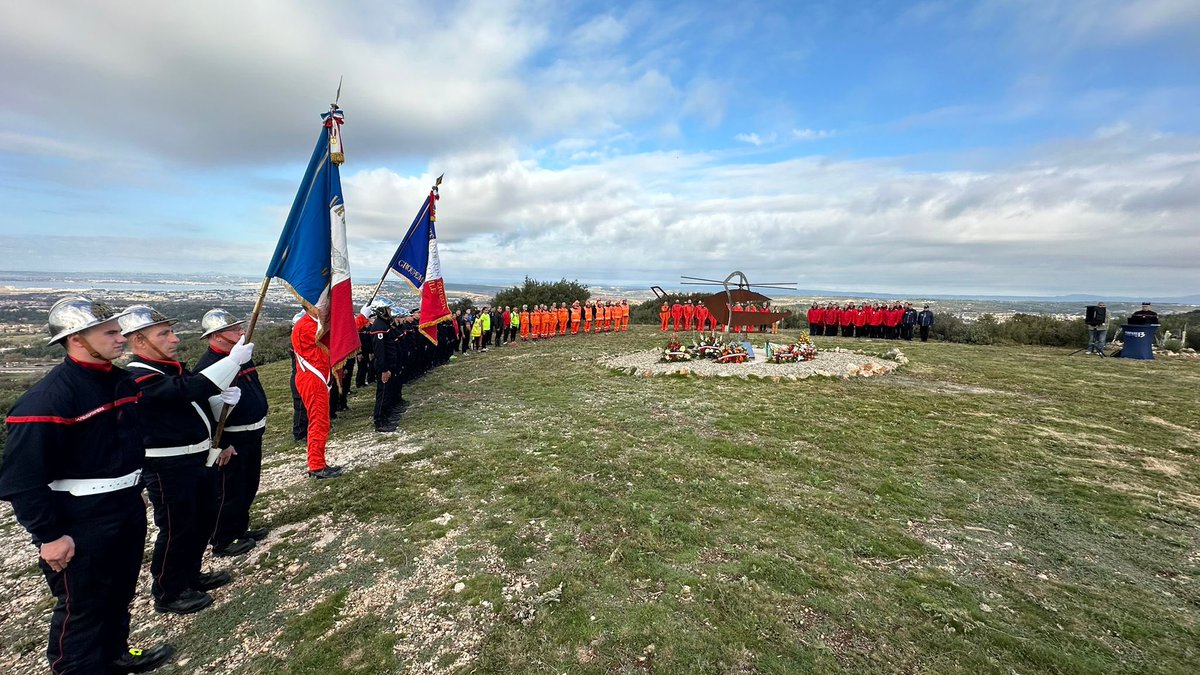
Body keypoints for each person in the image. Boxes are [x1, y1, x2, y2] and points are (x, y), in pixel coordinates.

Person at [1, 297, 176, 674]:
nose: (122, 338)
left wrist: (132, 488)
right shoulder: (47, 400)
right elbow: (22, 480)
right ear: (77, 339)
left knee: (119, 591)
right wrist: (49, 535)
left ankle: (115, 655)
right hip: (79, 519)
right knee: (82, 607)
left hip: (124, 507)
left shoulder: (121, 381)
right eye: (111, 332)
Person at [121, 304, 251, 615]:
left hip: (197, 459)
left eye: (171, 331)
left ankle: (190, 574)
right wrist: (231, 363)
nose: (175, 339)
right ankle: (168, 591)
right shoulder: (137, 376)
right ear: (139, 341)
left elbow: (194, 403)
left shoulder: (170, 368)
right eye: (164, 334)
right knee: (176, 528)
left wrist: (220, 402)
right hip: (167, 467)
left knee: (200, 520)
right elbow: (185, 392)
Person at [195, 309, 270, 560]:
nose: (241, 332)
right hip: (233, 440)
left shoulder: (241, 358)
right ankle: (222, 540)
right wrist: (222, 443)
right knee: (229, 491)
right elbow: (205, 412)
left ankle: (240, 529)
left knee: (248, 485)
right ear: (216, 336)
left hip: (252, 433)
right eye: (234, 329)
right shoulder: (209, 367)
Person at [292, 308, 343, 479]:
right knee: (318, 422)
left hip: (316, 377)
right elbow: (335, 335)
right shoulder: (306, 326)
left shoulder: (312, 323)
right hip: (312, 380)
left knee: (322, 421)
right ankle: (316, 466)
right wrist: (360, 320)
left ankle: (319, 462)